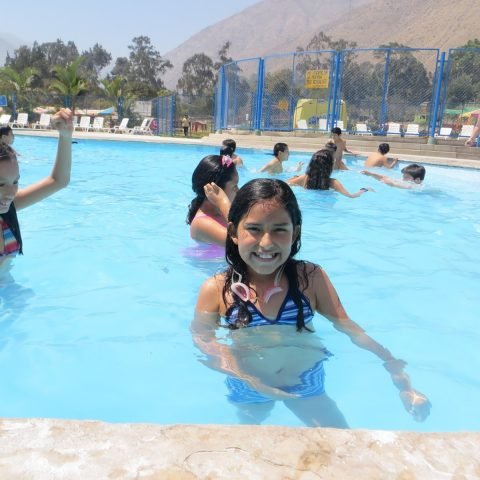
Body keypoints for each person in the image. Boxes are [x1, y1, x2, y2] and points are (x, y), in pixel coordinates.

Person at [192, 178, 431, 427]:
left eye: (279, 229)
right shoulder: (217, 288)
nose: (266, 242)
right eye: (254, 229)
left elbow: (348, 327)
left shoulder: (310, 278)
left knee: (340, 446)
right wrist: (248, 378)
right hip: (247, 383)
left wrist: (395, 369)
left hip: (305, 382)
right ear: (233, 233)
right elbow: (204, 340)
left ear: (295, 232)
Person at [0, 108, 73, 271]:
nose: (11, 192)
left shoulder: (9, 207)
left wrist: (65, 136)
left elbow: (58, 181)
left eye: (15, 181)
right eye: (1, 184)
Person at [187, 148, 239, 246]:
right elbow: (242, 245)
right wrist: (223, 201)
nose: (238, 190)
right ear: (215, 189)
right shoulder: (201, 223)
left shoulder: (221, 212)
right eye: (234, 186)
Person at [287, 148, 372, 198]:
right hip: (326, 209)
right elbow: (351, 196)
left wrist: (295, 178)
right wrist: (364, 189)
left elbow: (287, 184)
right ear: (329, 166)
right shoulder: (333, 182)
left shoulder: (304, 178)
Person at [361, 163, 425, 189]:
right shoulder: (407, 181)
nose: (403, 179)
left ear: (417, 180)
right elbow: (385, 177)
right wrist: (371, 174)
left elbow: (395, 184)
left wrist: (389, 183)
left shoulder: (415, 186)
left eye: (406, 177)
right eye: (403, 176)